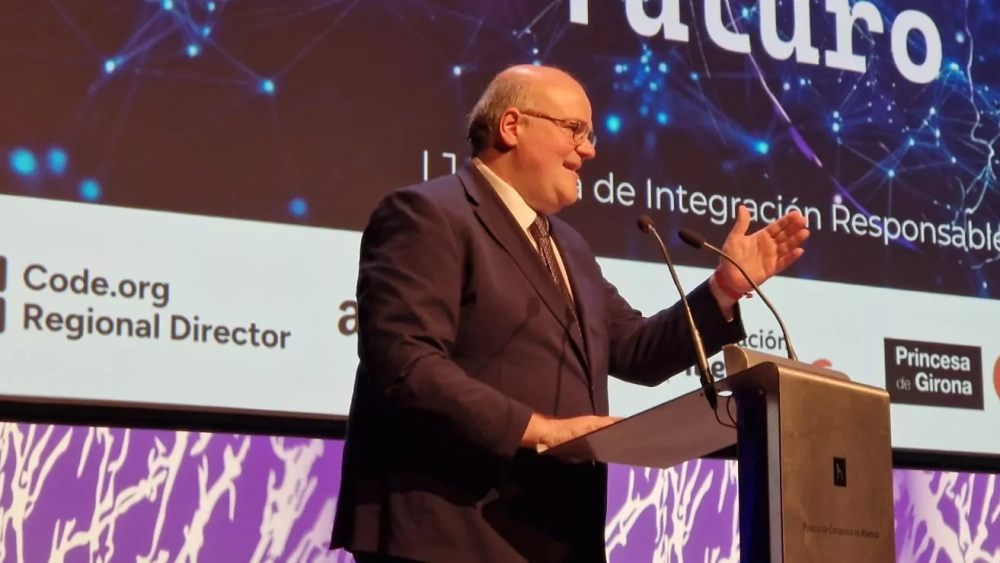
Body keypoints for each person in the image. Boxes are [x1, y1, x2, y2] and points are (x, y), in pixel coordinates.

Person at [330, 64, 809, 563]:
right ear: (512, 126)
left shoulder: (568, 245)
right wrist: (541, 428)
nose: (589, 150)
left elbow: (636, 350)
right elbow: (405, 367)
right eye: (574, 129)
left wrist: (724, 288)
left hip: (553, 533)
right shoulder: (428, 215)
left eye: (590, 134)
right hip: (448, 532)